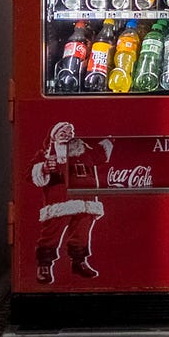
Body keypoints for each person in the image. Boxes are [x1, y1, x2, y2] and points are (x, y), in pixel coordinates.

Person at [30, 121, 113, 284]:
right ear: (54, 135)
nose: (67, 134)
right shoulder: (46, 154)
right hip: (59, 201)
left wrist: (111, 140)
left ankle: (79, 262)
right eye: (63, 131)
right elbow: (29, 173)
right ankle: (44, 265)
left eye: (70, 131)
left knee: (82, 232)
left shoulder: (83, 150)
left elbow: (100, 156)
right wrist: (44, 169)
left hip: (85, 200)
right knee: (52, 232)